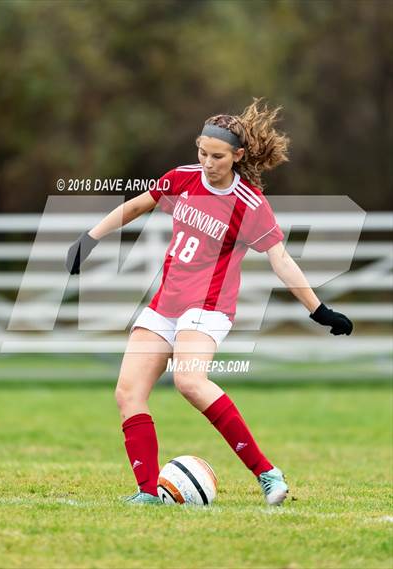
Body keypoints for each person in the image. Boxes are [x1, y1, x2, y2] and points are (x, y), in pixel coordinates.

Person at [66, 98, 353, 507]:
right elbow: (135, 206)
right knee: (128, 392)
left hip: (208, 307)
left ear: (237, 156)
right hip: (166, 303)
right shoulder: (182, 178)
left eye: (216, 156)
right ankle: (148, 494)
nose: (206, 162)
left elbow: (281, 260)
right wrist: (90, 238)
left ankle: (267, 474)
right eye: (201, 152)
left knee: (189, 380)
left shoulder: (250, 204)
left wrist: (318, 309)